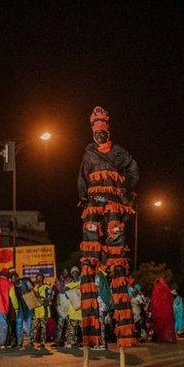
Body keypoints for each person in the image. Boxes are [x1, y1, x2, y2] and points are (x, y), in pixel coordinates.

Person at [77, 106, 139, 350]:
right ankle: (91, 335)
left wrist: (127, 190)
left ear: (108, 132)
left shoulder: (119, 152)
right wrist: (82, 197)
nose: (100, 136)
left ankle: (124, 331)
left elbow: (133, 168)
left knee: (115, 258)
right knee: (89, 259)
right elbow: (82, 177)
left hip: (113, 206)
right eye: (96, 132)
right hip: (93, 206)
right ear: (93, 133)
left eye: (103, 132)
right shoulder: (88, 154)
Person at [150, 277, 177, 343]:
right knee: (167, 325)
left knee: (158, 324)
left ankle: (159, 338)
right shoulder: (166, 288)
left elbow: (154, 301)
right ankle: (167, 338)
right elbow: (170, 300)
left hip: (158, 311)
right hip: (167, 311)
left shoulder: (156, 289)